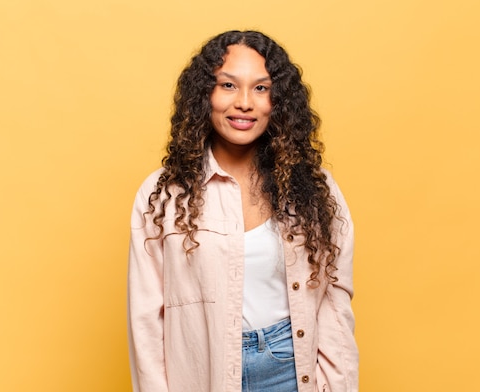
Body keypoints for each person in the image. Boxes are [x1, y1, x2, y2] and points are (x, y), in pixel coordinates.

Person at [128, 30, 358, 392]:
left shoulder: (315, 190)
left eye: (262, 88)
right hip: (204, 372)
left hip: (290, 368)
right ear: (205, 95)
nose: (245, 103)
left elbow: (334, 303)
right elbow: (146, 320)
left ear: (278, 101)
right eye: (228, 86)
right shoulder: (163, 195)